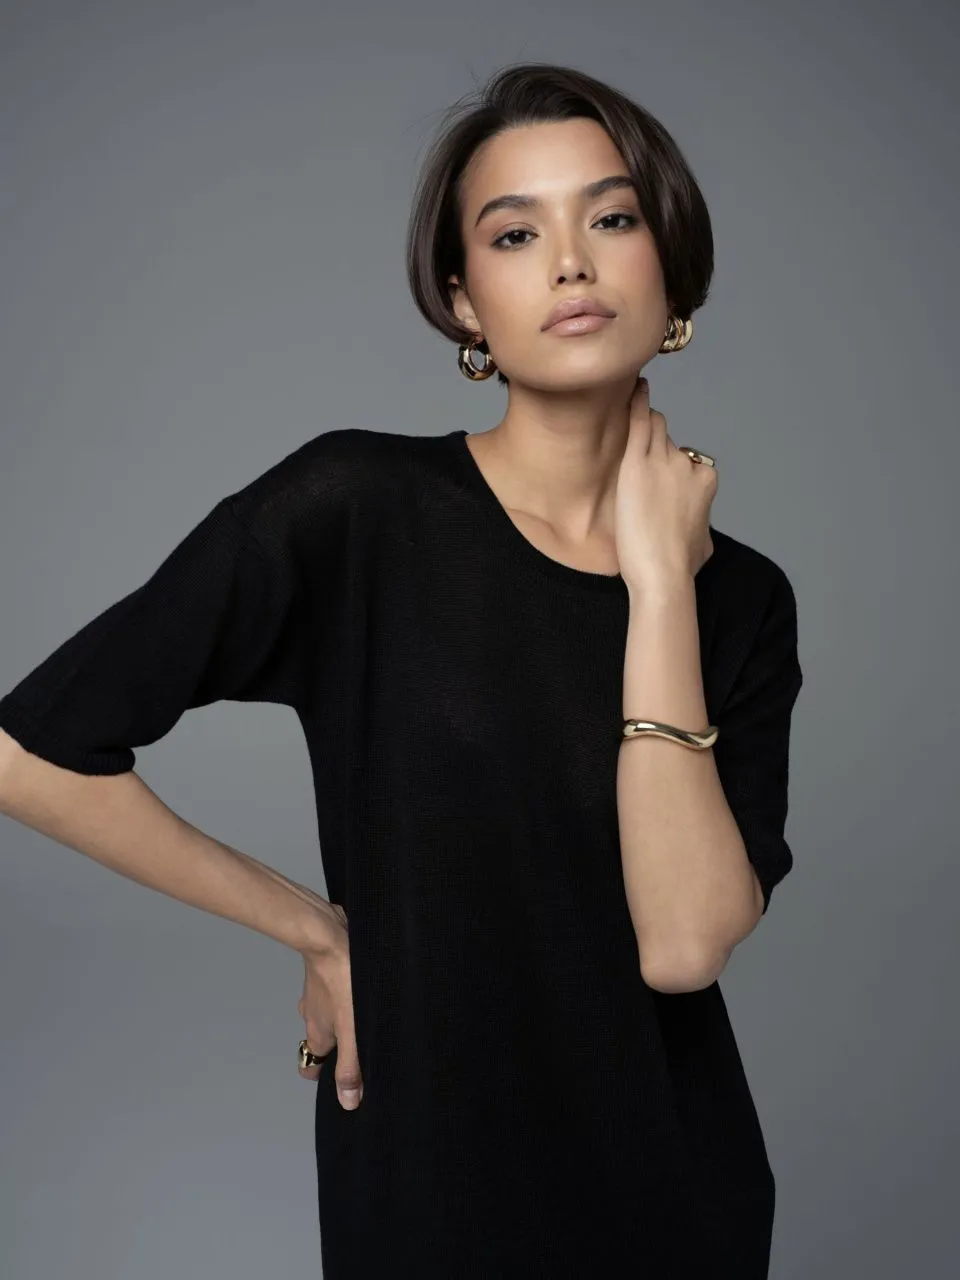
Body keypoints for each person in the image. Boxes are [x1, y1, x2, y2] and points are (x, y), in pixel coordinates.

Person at [0, 60, 803, 1278]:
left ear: (672, 269)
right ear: (465, 302)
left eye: (613, 218)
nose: (570, 263)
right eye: (516, 233)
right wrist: (315, 928)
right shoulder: (359, 509)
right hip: (429, 1183)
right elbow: (32, 750)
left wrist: (656, 586)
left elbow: (683, 947)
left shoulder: (739, 596)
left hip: (675, 1195)